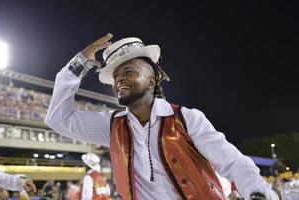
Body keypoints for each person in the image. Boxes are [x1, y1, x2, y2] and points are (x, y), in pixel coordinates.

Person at [45, 33, 278, 200]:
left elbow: (234, 162)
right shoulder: (112, 125)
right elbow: (58, 119)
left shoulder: (187, 119)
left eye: (128, 71)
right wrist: (78, 65)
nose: (119, 81)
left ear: (152, 79)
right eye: (115, 77)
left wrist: (257, 193)